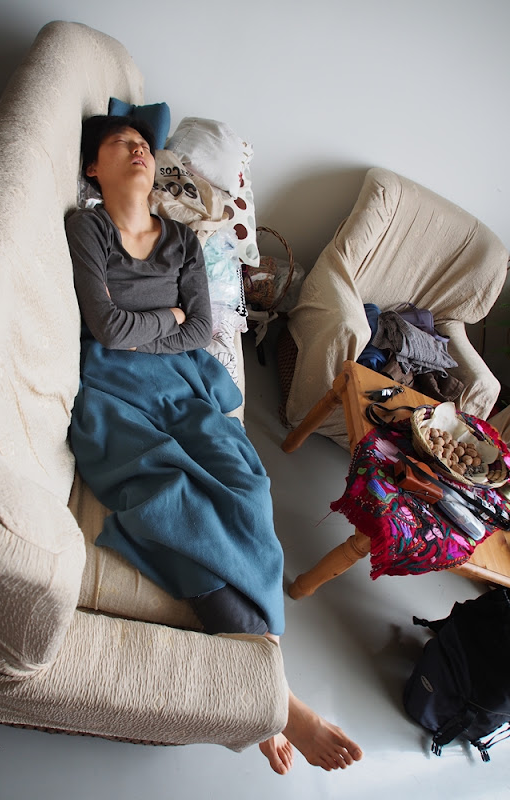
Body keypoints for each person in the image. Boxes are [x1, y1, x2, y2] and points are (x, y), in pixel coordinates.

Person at [65, 115, 363, 775]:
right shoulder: (88, 230)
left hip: (183, 383)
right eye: (120, 144)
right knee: (175, 501)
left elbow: (199, 329)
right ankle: (277, 699)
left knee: (250, 485)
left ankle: (270, 689)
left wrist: (162, 323)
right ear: (94, 169)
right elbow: (106, 330)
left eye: (142, 144)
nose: (137, 149)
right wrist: (167, 318)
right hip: (115, 390)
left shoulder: (180, 240)